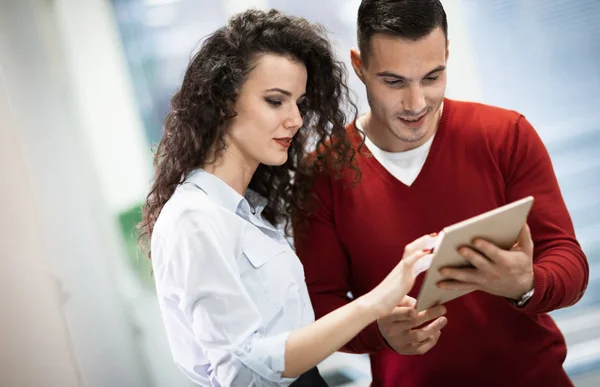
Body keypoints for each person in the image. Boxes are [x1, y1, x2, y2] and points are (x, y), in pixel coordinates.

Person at [293, 1, 589, 386]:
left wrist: (527, 284)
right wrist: (379, 331)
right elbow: (319, 305)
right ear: (359, 65)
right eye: (394, 82)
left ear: (447, 55)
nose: (416, 104)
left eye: (432, 77)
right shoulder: (323, 174)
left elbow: (569, 262)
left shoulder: (506, 136)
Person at [138, 9, 434, 387]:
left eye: (299, 103)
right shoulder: (194, 219)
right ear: (224, 101)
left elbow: (287, 343)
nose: (295, 119)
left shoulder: (247, 213)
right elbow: (242, 372)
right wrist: (374, 302)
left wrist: (379, 322)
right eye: (276, 101)